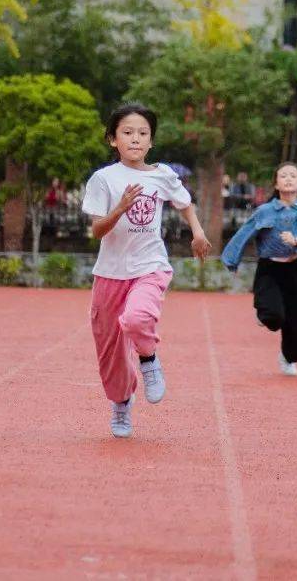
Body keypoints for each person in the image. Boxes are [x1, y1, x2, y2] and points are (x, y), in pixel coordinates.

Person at [81, 103, 210, 439]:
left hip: (149, 267)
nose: (135, 139)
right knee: (109, 352)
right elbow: (97, 230)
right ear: (113, 139)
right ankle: (122, 402)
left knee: (138, 319)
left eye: (142, 133)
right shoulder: (103, 179)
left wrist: (197, 232)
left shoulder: (163, 175)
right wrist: (120, 208)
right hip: (110, 273)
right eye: (127, 132)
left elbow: (184, 203)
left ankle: (149, 359)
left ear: (151, 141)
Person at [221, 162, 297, 377]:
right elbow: (244, 234)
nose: (288, 179)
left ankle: (288, 358)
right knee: (273, 316)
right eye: (283, 176)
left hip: (292, 269)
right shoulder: (265, 211)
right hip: (268, 269)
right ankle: (264, 313)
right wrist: (232, 260)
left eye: (293, 176)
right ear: (276, 183)